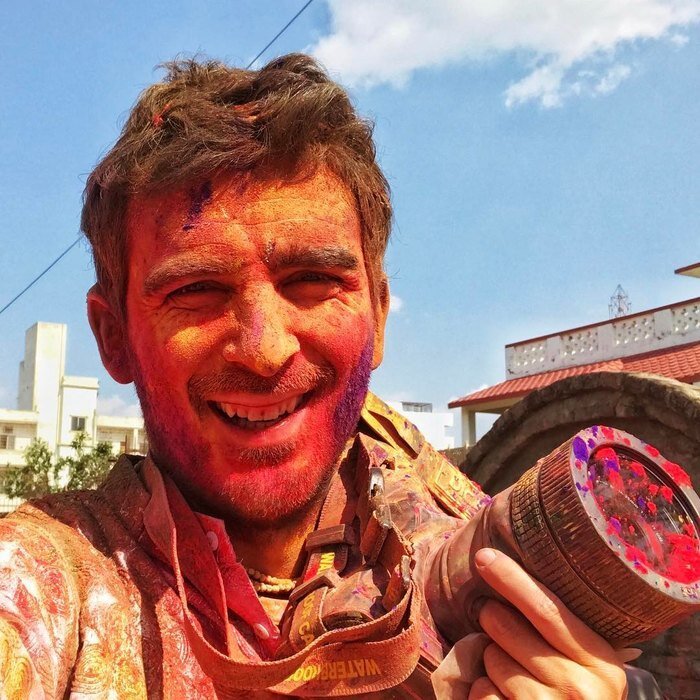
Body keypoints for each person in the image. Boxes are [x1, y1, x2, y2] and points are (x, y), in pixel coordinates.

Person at [0, 55, 632, 698]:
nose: (264, 350)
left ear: (378, 314)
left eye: (312, 280)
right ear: (114, 337)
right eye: (195, 290)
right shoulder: (44, 592)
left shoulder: (481, 562)